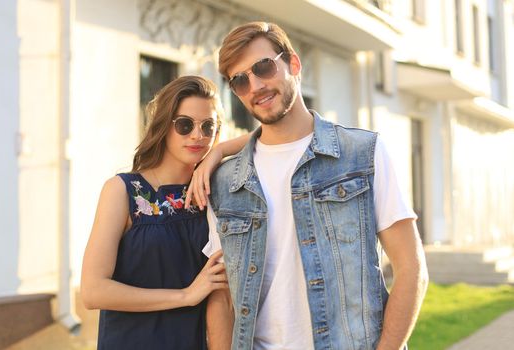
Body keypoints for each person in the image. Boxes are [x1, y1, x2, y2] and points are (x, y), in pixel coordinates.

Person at [191, 22, 429, 350]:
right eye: (240, 80)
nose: (256, 86)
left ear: (293, 64)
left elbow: (411, 269)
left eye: (263, 67)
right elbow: (222, 296)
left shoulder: (362, 154)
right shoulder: (224, 182)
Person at [80, 75, 232, 350]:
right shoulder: (123, 191)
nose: (198, 135)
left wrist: (219, 151)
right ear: (164, 126)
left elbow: (266, 139)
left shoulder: (212, 196)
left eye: (208, 126)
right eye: (185, 125)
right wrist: (185, 296)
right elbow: (92, 291)